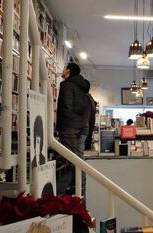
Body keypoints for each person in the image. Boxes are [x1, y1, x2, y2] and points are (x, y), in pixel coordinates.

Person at [56, 62, 93, 199]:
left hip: (70, 127)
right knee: (79, 159)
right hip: (83, 128)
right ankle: (80, 191)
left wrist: (64, 124)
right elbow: (89, 111)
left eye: (64, 67)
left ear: (69, 71)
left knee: (69, 160)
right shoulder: (84, 89)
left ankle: (64, 193)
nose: (62, 69)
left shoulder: (66, 85)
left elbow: (65, 107)